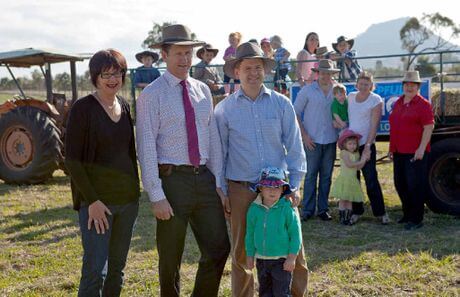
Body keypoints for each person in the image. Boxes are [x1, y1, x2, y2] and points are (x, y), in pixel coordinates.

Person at [135, 24, 230, 297]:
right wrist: (155, 194)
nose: (185, 59)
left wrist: (219, 183)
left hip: (204, 179)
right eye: (178, 53)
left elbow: (212, 139)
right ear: (164, 54)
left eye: (188, 53)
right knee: (170, 258)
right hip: (172, 181)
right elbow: (146, 145)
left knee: (218, 247)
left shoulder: (202, 90)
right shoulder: (152, 95)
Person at [215, 41, 308, 297]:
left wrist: (296, 186)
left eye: (258, 67)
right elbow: (220, 154)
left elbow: (295, 146)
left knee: (294, 249)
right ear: (236, 71)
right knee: (242, 254)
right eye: (247, 68)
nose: (253, 73)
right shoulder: (224, 110)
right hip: (241, 189)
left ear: (265, 70)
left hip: (279, 189)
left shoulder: (281, 104)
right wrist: (222, 192)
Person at [65, 49, 140, 297]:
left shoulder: (126, 106)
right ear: (95, 77)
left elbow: (129, 152)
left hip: (127, 203)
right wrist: (91, 201)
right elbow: (73, 161)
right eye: (106, 74)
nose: (112, 79)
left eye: (117, 73)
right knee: (95, 270)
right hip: (98, 205)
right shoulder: (83, 109)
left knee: (117, 269)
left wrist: (135, 194)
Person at [294, 59, 340, 222]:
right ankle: (307, 209)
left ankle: (323, 209)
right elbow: (296, 114)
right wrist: (305, 136)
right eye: (323, 72)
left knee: (327, 176)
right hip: (312, 140)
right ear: (317, 73)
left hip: (330, 139)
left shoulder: (338, 91)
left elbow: (343, 112)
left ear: (332, 74)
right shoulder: (307, 91)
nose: (325, 76)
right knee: (311, 175)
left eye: (328, 73)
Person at [245, 167, 302, 297]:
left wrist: (292, 258)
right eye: (268, 186)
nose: (272, 190)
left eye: (277, 187)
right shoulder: (254, 209)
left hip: (282, 261)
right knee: (264, 293)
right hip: (261, 260)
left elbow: (295, 235)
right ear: (260, 188)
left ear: (283, 189)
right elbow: (250, 234)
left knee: (281, 293)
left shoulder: (287, 209)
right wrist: (250, 255)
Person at [389, 71, 434, 230]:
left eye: (413, 85)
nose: (409, 87)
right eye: (407, 84)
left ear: (418, 87)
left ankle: (416, 219)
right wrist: (391, 148)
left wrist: (421, 148)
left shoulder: (423, 104)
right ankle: (407, 214)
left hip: (415, 151)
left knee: (415, 185)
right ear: (403, 86)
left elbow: (429, 127)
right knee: (400, 183)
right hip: (399, 150)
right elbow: (395, 127)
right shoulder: (399, 102)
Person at [347, 71, 390, 225]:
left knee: (371, 179)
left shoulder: (375, 100)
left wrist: (368, 146)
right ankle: (356, 211)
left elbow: (374, 124)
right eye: (361, 83)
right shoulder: (350, 97)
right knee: (354, 180)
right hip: (350, 146)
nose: (364, 86)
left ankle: (381, 212)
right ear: (357, 84)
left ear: (372, 86)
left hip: (366, 143)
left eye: (367, 84)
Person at [330, 129, 368, 225]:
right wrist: (362, 159)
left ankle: (348, 217)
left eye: (354, 144)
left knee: (350, 200)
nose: (352, 146)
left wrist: (363, 160)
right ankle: (342, 218)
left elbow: (358, 167)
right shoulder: (344, 153)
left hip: (352, 180)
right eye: (350, 144)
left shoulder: (356, 154)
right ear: (345, 144)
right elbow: (350, 164)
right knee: (343, 200)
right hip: (345, 179)